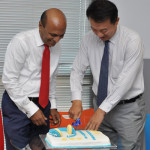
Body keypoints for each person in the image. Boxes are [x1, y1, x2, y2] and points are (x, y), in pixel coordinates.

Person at [69, 0, 146, 150]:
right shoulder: (88, 39)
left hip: (127, 109)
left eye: (103, 30)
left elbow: (124, 82)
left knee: (131, 147)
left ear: (116, 21)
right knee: (102, 147)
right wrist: (76, 99)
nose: (98, 34)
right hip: (100, 103)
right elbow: (77, 70)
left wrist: (101, 111)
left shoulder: (132, 41)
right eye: (93, 29)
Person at [2, 8, 67, 150]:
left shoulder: (56, 45)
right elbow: (9, 80)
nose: (57, 40)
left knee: (41, 146)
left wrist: (53, 106)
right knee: (17, 147)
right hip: (18, 105)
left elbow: (51, 77)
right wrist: (31, 109)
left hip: (43, 105)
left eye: (61, 36)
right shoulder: (21, 42)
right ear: (40, 26)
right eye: (53, 35)